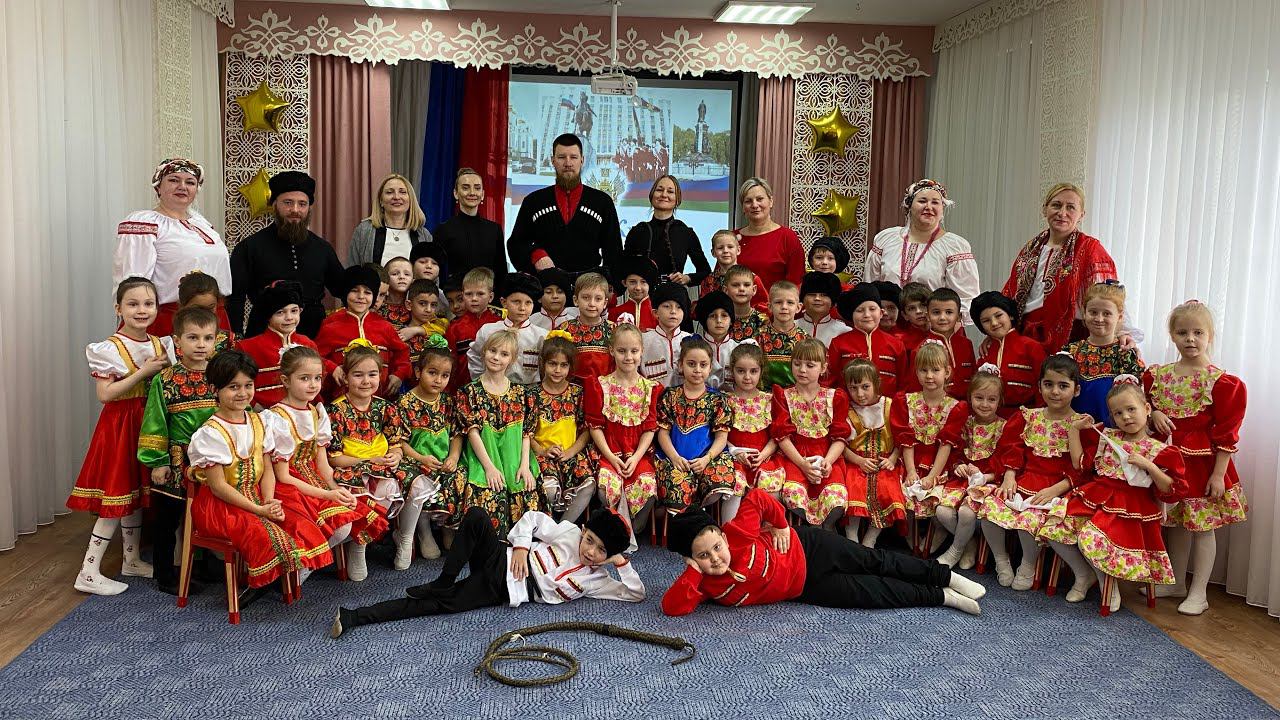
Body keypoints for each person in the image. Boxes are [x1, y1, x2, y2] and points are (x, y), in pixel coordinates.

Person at [661, 489, 987, 616]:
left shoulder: (737, 533)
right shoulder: (704, 583)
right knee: (873, 594)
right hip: (806, 588)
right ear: (691, 560)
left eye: (716, 547)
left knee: (874, 561)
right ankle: (942, 597)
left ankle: (945, 576)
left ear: (721, 535)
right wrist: (693, 570)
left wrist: (782, 525)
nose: (716, 558)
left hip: (810, 547)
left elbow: (758, 497)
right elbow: (672, 608)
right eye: (703, 556)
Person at [330, 506, 641, 637]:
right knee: (478, 516)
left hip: (502, 589)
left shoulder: (598, 581)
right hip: (500, 558)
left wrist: (620, 563)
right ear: (584, 530)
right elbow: (533, 518)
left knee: (433, 606)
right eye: (590, 540)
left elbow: (635, 594)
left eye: (602, 550)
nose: (591, 551)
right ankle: (444, 579)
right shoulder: (570, 532)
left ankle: (354, 616)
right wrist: (521, 546)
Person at [187, 350, 333, 590]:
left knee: (299, 523)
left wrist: (269, 500)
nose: (242, 393)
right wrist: (258, 509)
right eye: (233, 387)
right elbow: (219, 486)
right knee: (263, 534)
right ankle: (254, 586)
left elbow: (267, 470)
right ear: (215, 389)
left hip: (258, 496)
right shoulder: (210, 433)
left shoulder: (261, 421)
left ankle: (283, 580)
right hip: (222, 506)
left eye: (248, 385)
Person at [1038, 377, 1187, 611]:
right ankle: (1083, 574)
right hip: (1095, 497)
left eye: (1131, 409)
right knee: (1053, 526)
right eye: (1118, 413)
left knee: (1090, 539)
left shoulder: (1160, 450)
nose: (1126, 417)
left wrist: (1149, 466)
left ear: (1147, 409)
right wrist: (1074, 430)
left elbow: (1173, 490)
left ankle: (1108, 587)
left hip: (1129, 509)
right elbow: (1080, 464)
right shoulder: (1108, 438)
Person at [68, 277, 173, 595]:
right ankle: (88, 571)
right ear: (118, 309)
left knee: (135, 494)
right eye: (133, 304)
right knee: (116, 494)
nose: (142, 310)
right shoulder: (110, 348)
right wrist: (143, 372)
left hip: (149, 424)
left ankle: (131, 559)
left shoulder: (161, 344)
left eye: (148, 304)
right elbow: (106, 394)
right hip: (121, 426)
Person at [1144, 301, 1248, 615]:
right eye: (1182, 332)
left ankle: (1199, 592)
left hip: (1203, 465)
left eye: (1198, 333)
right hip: (1170, 462)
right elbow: (1143, 407)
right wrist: (1154, 412)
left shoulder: (1222, 382)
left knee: (1202, 527)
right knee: (1176, 523)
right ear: (1172, 336)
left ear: (1209, 336)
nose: (1190, 339)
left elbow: (1227, 433)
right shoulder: (1158, 376)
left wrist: (1218, 474)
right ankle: (1176, 583)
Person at [264, 346, 389, 564]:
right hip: (289, 488)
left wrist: (335, 489)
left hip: (315, 480)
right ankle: (299, 571)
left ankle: (304, 569)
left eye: (317, 378)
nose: (313, 385)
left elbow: (322, 464)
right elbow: (283, 476)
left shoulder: (316, 413)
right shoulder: (276, 418)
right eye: (304, 378)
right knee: (338, 525)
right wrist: (326, 495)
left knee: (350, 516)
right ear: (285, 380)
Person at [979, 354, 1091, 590]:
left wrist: (1056, 489)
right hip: (1023, 480)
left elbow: (1083, 468)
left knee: (1029, 519)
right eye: (1048, 384)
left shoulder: (1081, 424)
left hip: (1059, 488)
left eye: (1063, 386)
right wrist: (1009, 475)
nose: (1055, 392)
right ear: (1039, 386)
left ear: (1077, 390)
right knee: (990, 509)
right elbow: (1011, 448)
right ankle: (1001, 560)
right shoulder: (1028, 417)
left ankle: (1028, 565)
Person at [137, 307, 220, 594]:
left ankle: (205, 564)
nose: (201, 345)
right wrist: (157, 462)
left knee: (209, 511)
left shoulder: (221, 376)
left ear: (216, 340)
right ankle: (165, 574)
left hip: (214, 459)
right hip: (175, 460)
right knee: (168, 519)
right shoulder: (165, 380)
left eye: (207, 338)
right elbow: (155, 421)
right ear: (177, 341)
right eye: (193, 337)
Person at [326, 346, 427, 580]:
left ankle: (405, 537)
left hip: (383, 463)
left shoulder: (385, 407)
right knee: (382, 484)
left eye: (372, 374)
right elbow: (334, 457)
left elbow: (396, 442)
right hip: (352, 467)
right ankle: (359, 544)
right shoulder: (336, 411)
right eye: (358, 375)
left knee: (416, 482)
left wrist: (396, 455)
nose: (366, 381)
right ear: (346, 377)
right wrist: (369, 460)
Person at [113, 158, 232, 337]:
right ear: (158, 186)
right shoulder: (145, 223)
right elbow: (132, 281)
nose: (182, 187)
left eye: (190, 182)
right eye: (174, 180)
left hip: (214, 317)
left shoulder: (202, 224)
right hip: (171, 320)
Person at [1001, 183, 1125, 353]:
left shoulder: (1090, 249)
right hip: (1026, 336)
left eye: (1071, 207)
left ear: (1081, 215)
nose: (1062, 213)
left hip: (1070, 339)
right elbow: (1009, 293)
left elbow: (1109, 296)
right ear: (1045, 209)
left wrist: (1123, 333)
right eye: (1056, 205)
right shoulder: (1030, 249)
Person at [227, 171, 345, 338]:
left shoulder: (323, 248)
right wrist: (235, 339)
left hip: (314, 337)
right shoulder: (249, 247)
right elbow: (235, 299)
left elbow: (343, 289)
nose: (295, 210)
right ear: (274, 204)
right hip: (263, 335)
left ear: (309, 207)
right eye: (288, 203)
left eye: (302, 204)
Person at [456, 330, 543, 535]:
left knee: (524, 487)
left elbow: (526, 433)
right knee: (486, 493)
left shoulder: (522, 393)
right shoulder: (469, 392)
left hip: (515, 457)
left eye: (504, 354)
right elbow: (472, 433)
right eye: (492, 351)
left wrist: (524, 465)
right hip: (484, 457)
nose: (496, 357)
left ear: (512, 359)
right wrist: (489, 468)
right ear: (484, 352)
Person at [866, 179, 980, 325]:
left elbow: (964, 299)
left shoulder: (954, 246)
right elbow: (871, 287)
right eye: (922, 201)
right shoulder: (886, 239)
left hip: (933, 329)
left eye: (935, 202)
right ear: (909, 206)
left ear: (942, 209)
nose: (928, 207)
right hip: (888, 326)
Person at [508, 133, 622, 275]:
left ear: (582, 160)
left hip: (588, 286)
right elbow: (516, 245)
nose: (568, 163)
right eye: (562, 157)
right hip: (547, 286)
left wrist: (608, 283)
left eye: (573, 157)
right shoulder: (533, 202)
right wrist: (536, 255)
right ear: (553, 160)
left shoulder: (602, 202)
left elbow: (614, 251)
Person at [586, 323, 663, 533]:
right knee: (606, 486)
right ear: (612, 351)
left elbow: (649, 429)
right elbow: (595, 427)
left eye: (634, 351)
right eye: (622, 351)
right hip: (609, 452)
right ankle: (615, 527)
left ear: (642, 351)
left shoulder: (650, 388)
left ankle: (634, 529)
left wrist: (636, 457)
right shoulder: (600, 385)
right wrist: (611, 457)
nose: (628, 357)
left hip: (638, 454)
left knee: (647, 484)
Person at [892, 341, 968, 550]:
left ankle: (943, 531)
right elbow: (906, 440)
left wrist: (933, 475)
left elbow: (946, 445)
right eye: (923, 370)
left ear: (947, 372)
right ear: (916, 372)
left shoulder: (955, 407)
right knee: (902, 490)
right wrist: (910, 471)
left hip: (940, 463)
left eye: (935, 370)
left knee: (939, 499)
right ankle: (909, 532)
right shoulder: (906, 401)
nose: (929, 376)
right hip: (912, 460)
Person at [396, 342, 467, 565]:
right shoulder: (405, 402)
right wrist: (420, 458)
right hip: (416, 460)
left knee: (460, 474)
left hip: (443, 459)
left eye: (445, 375)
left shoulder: (447, 401)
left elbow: (456, 434)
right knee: (419, 480)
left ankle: (448, 527)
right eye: (432, 373)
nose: (438, 380)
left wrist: (453, 457)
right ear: (418, 372)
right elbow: (399, 441)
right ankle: (423, 530)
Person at [772, 339, 850, 529]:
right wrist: (802, 464)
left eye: (810, 365)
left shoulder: (835, 397)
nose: (802, 370)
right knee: (793, 493)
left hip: (827, 456)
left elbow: (840, 437)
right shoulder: (783, 396)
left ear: (823, 367)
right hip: (795, 457)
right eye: (797, 364)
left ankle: (827, 532)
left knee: (835, 498)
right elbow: (782, 436)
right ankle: (808, 534)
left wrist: (828, 461)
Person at [655, 337, 735, 517]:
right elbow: (663, 432)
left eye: (703, 365)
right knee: (677, 484)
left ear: (710, 367)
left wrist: (707, 459)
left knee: (719, 477)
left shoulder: (718, 400)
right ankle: (687, 518)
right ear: (680, 365)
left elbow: (722, 437)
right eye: (691, 364)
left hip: (707, 458)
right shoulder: (669, 396)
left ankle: (700, 514)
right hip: (675, 458)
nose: (697, 370)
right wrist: (675, 458)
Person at [526, 333, 597, 523]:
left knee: (588, 484)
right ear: (543, 363)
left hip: (571, 453)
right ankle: (545, 527)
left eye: (563, 365)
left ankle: (563, 528)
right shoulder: (532, 394)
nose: (557, 370)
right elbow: (526, 433)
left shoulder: (577, 392)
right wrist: (542, 451)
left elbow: (586, 430)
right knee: (548, 488)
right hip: (542, 455)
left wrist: (571, 452)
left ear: (570, 366)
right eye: (552, 364)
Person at [314, 266, 413, 397]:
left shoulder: (384, 326)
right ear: (345, 293)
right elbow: (315, 357)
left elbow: (403, 352)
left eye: (367, 292)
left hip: (379, 397)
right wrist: (333, 368)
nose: (361, 297)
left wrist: (398, 375)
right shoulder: (331, 327)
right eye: (354, 291)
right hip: (341, 399)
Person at [945, 367, 1009, 569]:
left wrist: (986, 476)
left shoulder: (1003, 427)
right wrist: (958, 466)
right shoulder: (966, 423)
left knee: (966, 513)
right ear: (970, 397)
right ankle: (968, 542)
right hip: (962, 480)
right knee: (942, 512)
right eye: (979, 398)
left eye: (991, 399)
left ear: (1000, 401)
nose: (984, 404)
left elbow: (1005, 461)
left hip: (988, 482)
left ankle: (955, 550)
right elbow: (955, 450)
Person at [842, 360, 905, 549]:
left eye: (865, 387)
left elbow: (902, 439)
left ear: (876, 384)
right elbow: (840, 444)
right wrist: (859, 460)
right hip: (856, 462)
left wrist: (893, 458)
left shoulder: (890, 406)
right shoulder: (847, 410)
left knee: (888, 488)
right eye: (853, 388)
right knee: (854, 487)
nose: (860, 394)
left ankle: (871, 538)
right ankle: (851, 537)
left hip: (885, 462)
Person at [238, 281, 331, 409]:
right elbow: (239, 384)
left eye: (294, 311)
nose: (289, 317)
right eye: (280, 312)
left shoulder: (308, 344)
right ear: (268, 316)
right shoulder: (247, 347)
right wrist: (257, 408)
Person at [1063, 282, 1143, 426]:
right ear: (1084, 313)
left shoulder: (1125, 354)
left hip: (1113, 431)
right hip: (1075, 428)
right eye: (1093, 312)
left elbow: (1134, 401)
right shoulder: (1071, 351)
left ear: (1119, 317)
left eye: (1107, 314)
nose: (1099, 319)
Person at [623, 175, 712, 288]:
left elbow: (705, 271)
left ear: (677, 199)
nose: (664, 195)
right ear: (651, 195)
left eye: (670, 192)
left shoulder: (686, 233)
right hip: (643, 294)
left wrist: (687, 278)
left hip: (674, 294)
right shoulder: (638, 231)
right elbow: (623, 267)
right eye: (659, 190)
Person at [726, 344, 785, 507]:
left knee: (769, 482)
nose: (747, 377)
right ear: (732, 371)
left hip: (764, 457)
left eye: (753, 371)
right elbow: (719, 434)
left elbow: (776, 436)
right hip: (734, 458)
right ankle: (731, 522)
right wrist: (735, 451)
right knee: (734, 483)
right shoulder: (725, 400)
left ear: (761, 371)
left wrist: (763, 455)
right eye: (741, 371)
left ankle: (763, 522)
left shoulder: (769, 400)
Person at [826, 283, 908, 396]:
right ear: (851, 315)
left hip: (888, 405)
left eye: (872, 309)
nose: (867, 315)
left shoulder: (896, 344)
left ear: (881, 313)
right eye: (860, 310)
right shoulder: (839, 343)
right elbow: (830, 381)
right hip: (848, 405)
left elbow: (903, 383)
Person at [970, 291, 1046, 412]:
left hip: (1027, 415)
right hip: (989, 417)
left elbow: (1044, 384)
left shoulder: (1031, 347)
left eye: (998, 315)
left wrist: (1038, 416)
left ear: (1010, 315)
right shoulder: (985, 351)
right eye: (986, 320)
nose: (994, 323)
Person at [469, 272, 547, 385]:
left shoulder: (541, 336)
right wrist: (481, 382)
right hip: (493, 388)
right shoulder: (488, 330)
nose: (522, 308)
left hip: (529, 390)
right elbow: (475, 355)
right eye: (516, 302)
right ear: (504, 302)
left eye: (528, 303)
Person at [433, 168, 507, 286]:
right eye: (465, 188)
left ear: (482, 194)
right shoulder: (443, 230)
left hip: (488, 295)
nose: (472, 193)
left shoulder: (494, 230)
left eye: (477, 188)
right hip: (454, 295)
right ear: (456, 193)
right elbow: (437, 272)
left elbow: (501, 272)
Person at [734, 177, 805, 291]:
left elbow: (795, 284)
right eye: (748, 201)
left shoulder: (787, 237)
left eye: (759, 199)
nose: (754, 205)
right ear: (743, 206)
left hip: (775, 302)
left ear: (770, 201)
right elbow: (720, 277)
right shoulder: (732, 239)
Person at [348, 174, 432, 267]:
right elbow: (353, 269)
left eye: (402, 192)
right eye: (389, 192)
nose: (396, 197)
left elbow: (430, 272)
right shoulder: (364, 230)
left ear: (410, 200)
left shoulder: (424, 235)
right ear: (381, 201)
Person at [444, 267, 501, 391]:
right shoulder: (454, 328)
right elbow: (450, 364)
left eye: (480, 294)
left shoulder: (500, 324)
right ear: (463, 295)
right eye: (469, 294)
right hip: (463, 389)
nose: (474, 298)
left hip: (496, 389)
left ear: (491, 297)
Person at [561, 272, 615, 384]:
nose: (592, 303)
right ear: (576, 300)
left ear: (605, 303)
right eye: (586, 298)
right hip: (572, 390)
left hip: (606, 390)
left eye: (598, 299)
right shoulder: (563, 330)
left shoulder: (614, 330)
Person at [923, 288, 976, 399]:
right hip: (936, 406)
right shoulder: (922, 348)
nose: (942, 317)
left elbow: (974, 379)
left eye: (949, 312)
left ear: (959, 316)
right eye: (936, 312)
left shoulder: (966, 344)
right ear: (927, 316)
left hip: (967, 406)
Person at [699, 230, 768, 311]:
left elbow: (764, 305)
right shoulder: (708, 281)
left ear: (738, 250)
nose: (725, 251)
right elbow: (702, 307)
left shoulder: (752, 278)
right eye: (720, 248)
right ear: (713, 252)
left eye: (730, 247)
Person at [640, 283, 692, 387]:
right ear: (655, 313)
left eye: (679, 307)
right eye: (667, 306)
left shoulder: (692, 340)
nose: (673, 311)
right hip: (653, 396)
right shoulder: (642, 341)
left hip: (686, 396)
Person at [757, 281, 806, 390]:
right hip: (765, 396)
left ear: (798, 307)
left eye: (790, 303)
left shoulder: (805, 340)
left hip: (796, 396)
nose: (784, 307)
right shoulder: (759, 338)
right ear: (769, 306)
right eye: (778, 302)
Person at [694, 290, 737, 389]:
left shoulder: (738, 349)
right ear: (705, 320)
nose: (719, 320)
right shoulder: (695, 348)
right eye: (712, 316)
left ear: (731, 320)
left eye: (724, 315)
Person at [796, 272, 850, 346]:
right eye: (812, 294)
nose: (817, 298)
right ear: (802, 299)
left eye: (824, 295)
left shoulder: (844, 331)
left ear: (833, 300)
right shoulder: (790, 327)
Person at [609, 255, 659, 330]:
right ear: (624, 283)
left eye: (643, 282)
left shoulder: (659, 315)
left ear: (650, 283)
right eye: (632, 282)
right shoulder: (614, 313)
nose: (638, 287)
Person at [726, 265, 769, 340]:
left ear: (754, 290)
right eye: (735, 285)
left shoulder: (762, 320)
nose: (741, 289)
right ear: (726, 290)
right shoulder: (720, 319)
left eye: (746, 285)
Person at [378, 256, 415, 329]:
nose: (401, 277)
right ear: (386, 278)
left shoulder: (415, 306)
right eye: (395, 274)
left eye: (407, 274)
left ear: (413, 279)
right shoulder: (377, 304)